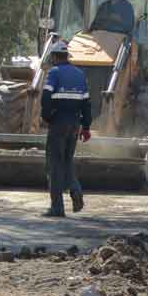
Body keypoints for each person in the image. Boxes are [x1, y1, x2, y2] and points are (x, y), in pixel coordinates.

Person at [41, 41, 92, 217]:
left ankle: (57, 208)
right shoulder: (80, 74)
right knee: (67, 160)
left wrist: (47, 117)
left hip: (58, 123)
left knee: (54, 164)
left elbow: (46, 98)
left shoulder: (53, 73)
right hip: (74, 125)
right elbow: (87, 104)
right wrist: (86, 127)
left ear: (54, 57)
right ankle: (76, 192)